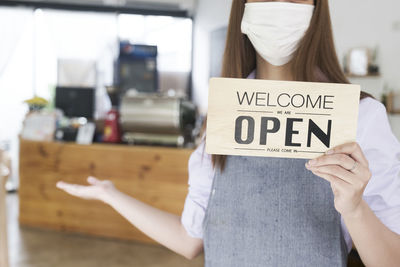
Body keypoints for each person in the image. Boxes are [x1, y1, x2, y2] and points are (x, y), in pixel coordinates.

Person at [57, 0, 400, 266]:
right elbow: (190, 239)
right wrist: (111, 194)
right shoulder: (223, 116)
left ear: (317, 9)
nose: (279, 6)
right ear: (243, 8)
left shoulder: (360, 116)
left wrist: (354, 208)